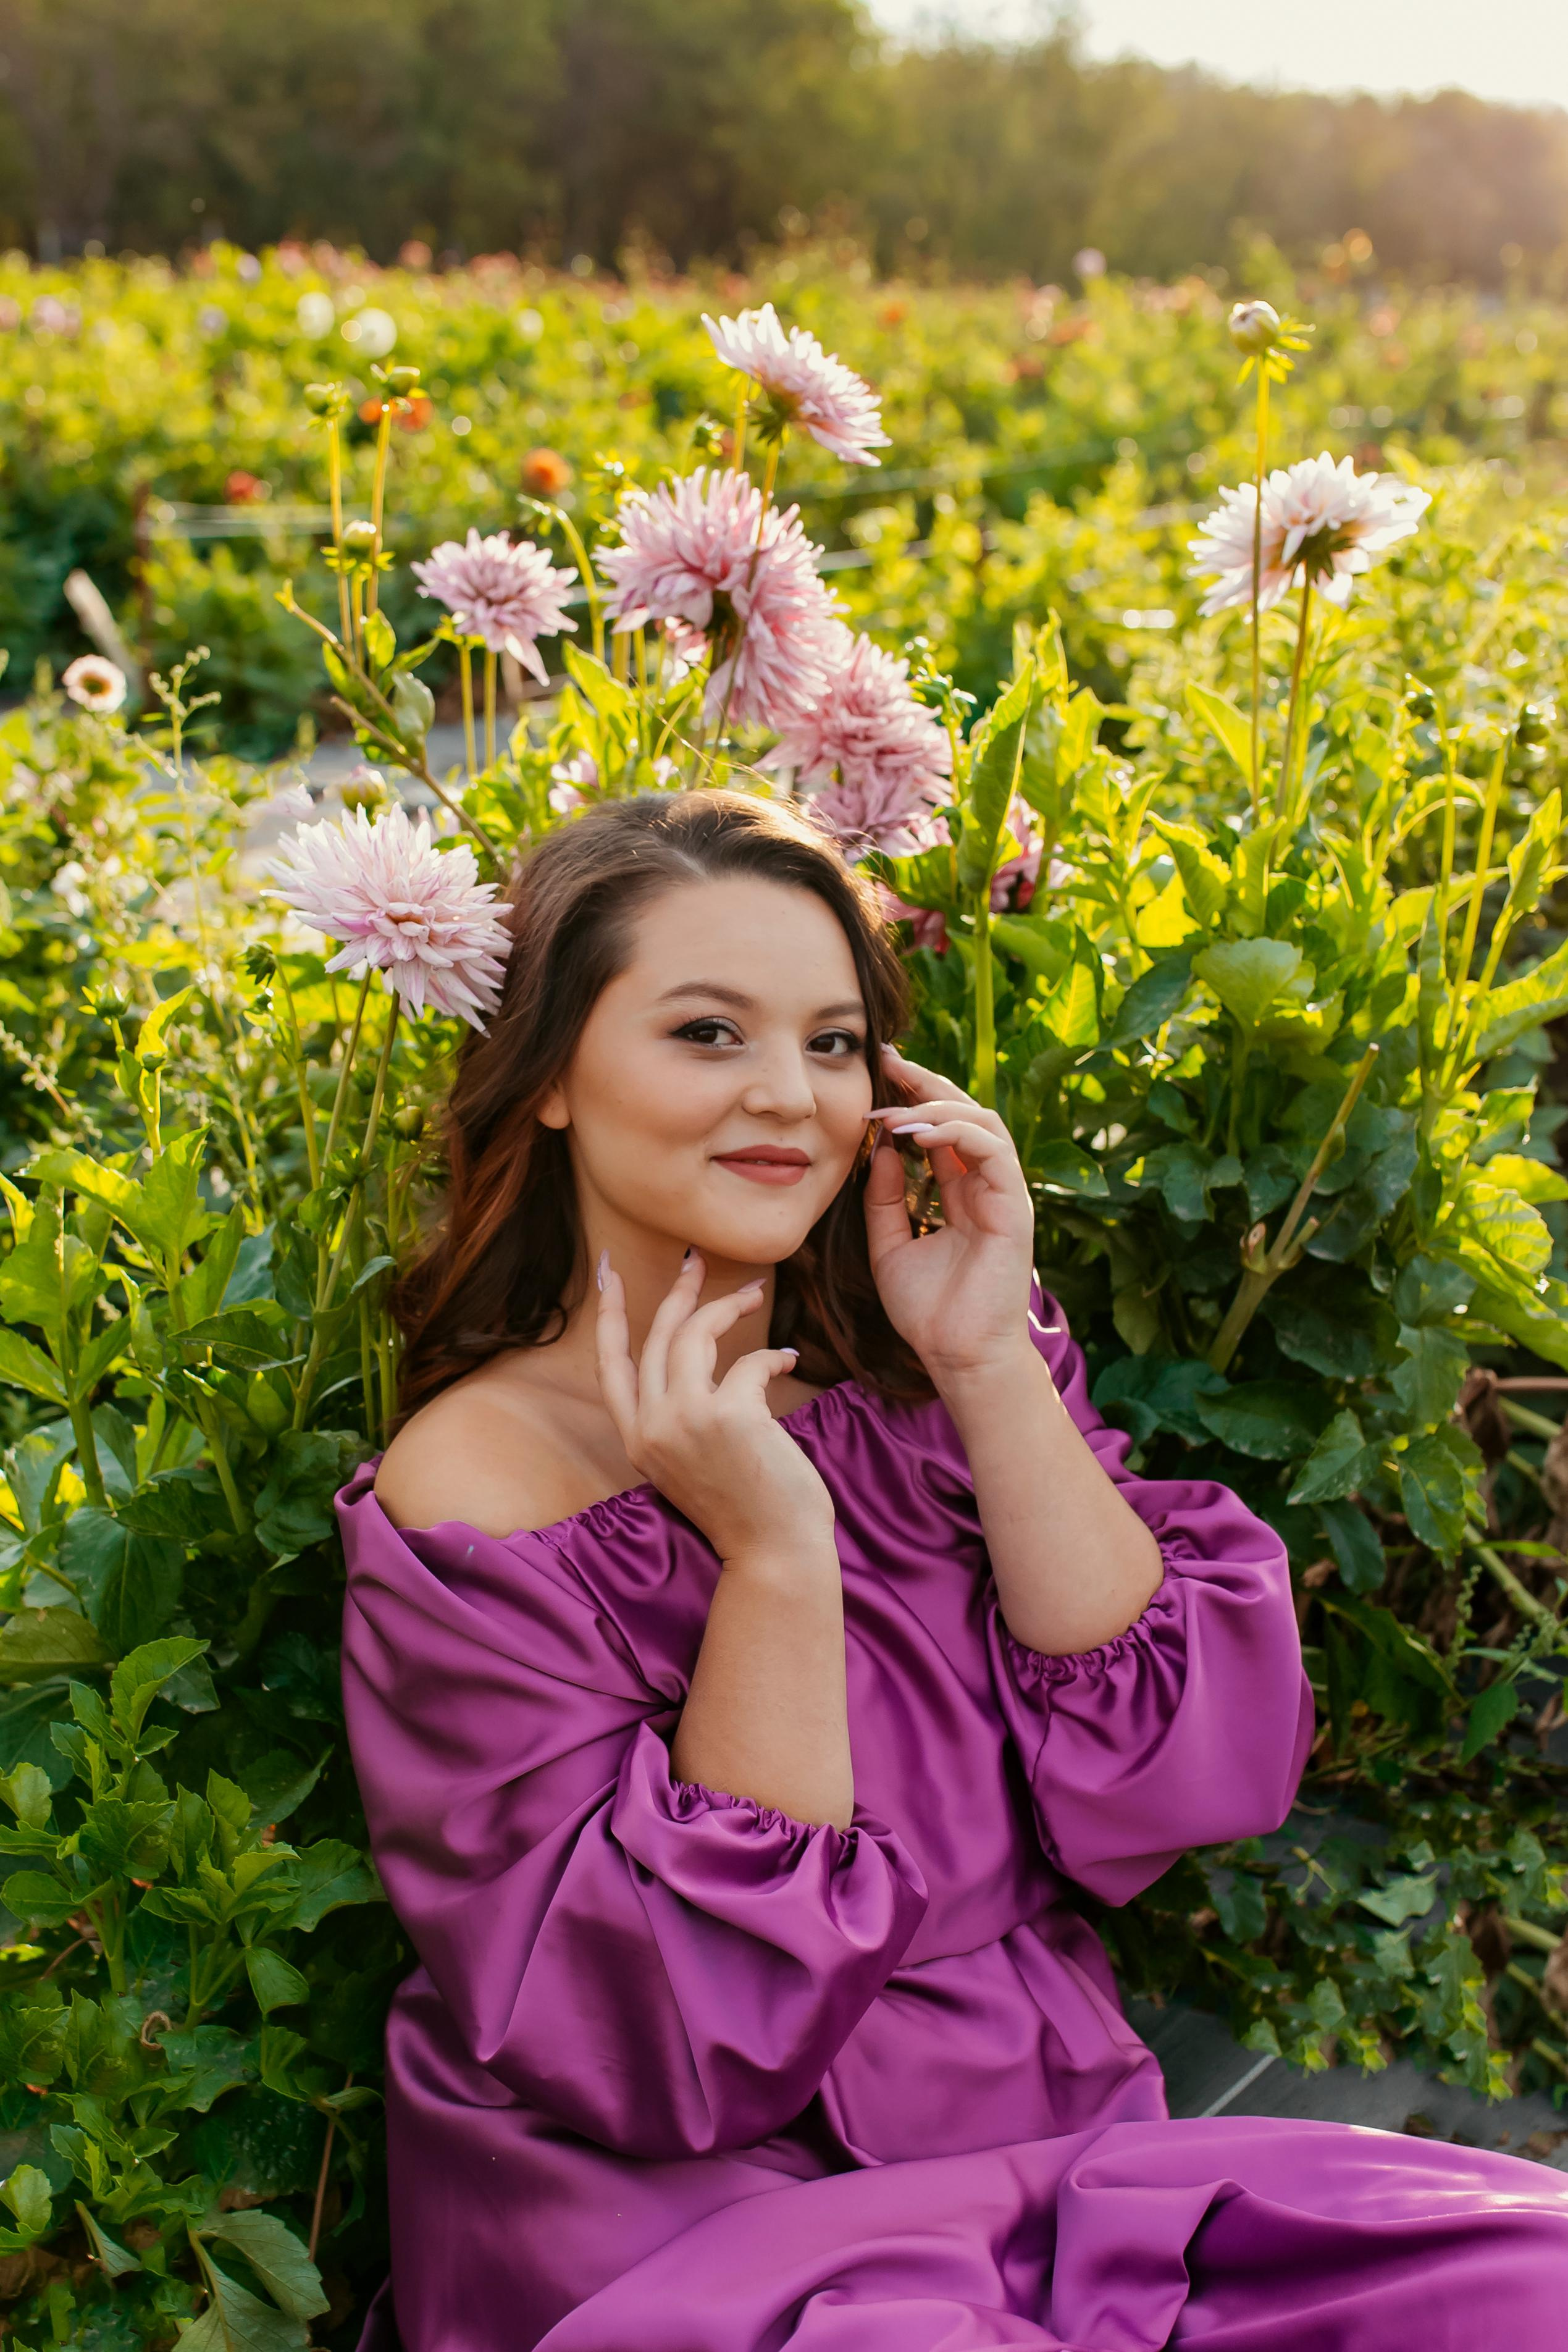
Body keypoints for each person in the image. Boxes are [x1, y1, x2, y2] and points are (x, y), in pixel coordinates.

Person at [337, 790, 1568, 2352]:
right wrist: (774, 1553)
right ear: (556, 1075)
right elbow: (669, 2031)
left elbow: (1191, 1772)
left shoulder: (915, 1374)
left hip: (1049, 2141)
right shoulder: (484, 1479)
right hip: (694, 2212)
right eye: (707, 1032)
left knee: (1528, 2287)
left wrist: (988, 1354)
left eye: (835, 1042)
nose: (788, 1093)